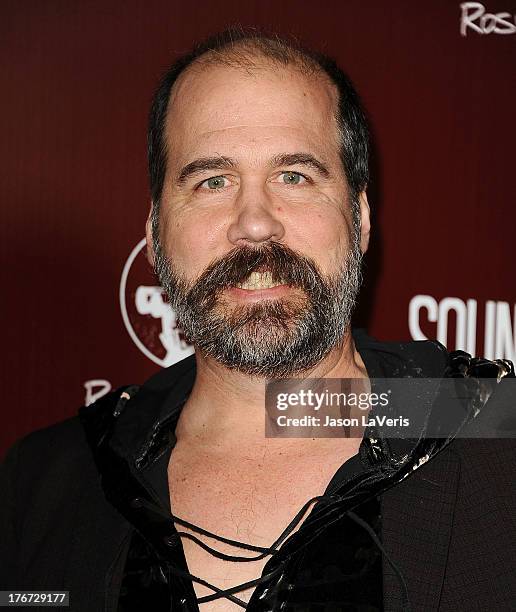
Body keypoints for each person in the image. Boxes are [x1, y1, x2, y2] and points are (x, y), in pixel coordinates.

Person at [1, 28, 515, 612]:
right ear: (153, 232)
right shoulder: (47, 481)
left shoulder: (494, 444)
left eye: (293, 176)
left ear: (361, 218)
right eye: (213, 181)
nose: (254, 223)